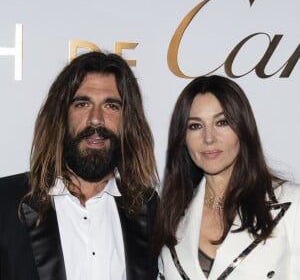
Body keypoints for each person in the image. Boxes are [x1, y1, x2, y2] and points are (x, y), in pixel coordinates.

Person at [0, 51, 159, 280]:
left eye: (111, 105)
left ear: (128, 120)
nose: (96, 119)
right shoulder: (6, 202)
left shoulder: (147, 209)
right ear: (61, 116)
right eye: (83, 104)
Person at [155, 75, 300, 279]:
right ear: (183, 138)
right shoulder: (173, 217)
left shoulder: (293, 203)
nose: (208, 138)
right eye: (195, 126)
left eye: (221, 122)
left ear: (242, 128)